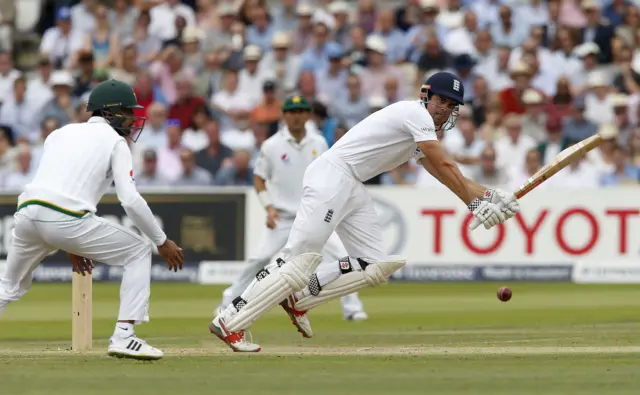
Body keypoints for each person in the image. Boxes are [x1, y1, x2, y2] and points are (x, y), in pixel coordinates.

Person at [209, 72, 521, 352]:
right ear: (427, 96)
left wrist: (494, 195)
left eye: (452, 105)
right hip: (333, 176)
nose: (445, 109)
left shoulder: (421, 130)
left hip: (352, 184)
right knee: (298, 260)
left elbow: (446, 174)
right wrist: (475, 205)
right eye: (442, 100)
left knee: (373, 265)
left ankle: (300, 298)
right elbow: (445, 164)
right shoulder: (415, 114)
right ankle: (230, 319)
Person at [0, 79, 184, 360]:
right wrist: (162, 240)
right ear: (109, 113)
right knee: (137, 250)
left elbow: (59, 185)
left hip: (26, 214)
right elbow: (131, 201)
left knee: (8, 286)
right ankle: (124, 336)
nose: (134, 119)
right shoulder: (115, 142)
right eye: (128, 111)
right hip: (66, 219)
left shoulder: (59, 134)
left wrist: (74, 245)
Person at [215, 96, 367, 337]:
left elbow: (329, 175)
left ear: (307, 115)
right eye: (292, 111)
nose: (297, 115)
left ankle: (352, 308)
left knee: (341, 257)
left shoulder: (318, 142)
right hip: (283, 216)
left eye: (301, 110)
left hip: (314, 217)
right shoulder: (272, 145)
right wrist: (269, 208)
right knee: (259, 259)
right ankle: (227, 304)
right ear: (284, 116)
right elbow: (259, 179)